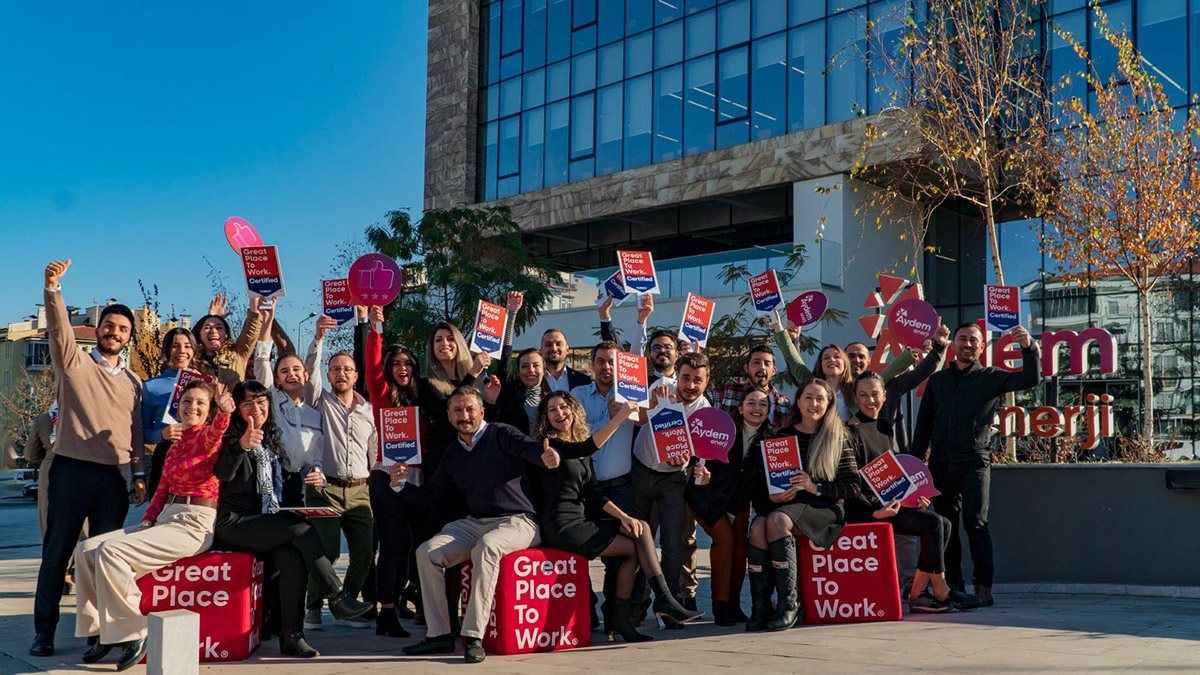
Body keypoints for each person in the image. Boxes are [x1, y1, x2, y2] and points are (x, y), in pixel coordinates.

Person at [73, 381, 233, 670]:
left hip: (193, 523)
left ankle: (134, 630)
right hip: (165, 519)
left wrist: (224, 411)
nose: (191, 407)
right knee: (86, 549)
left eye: (200, 403)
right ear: (178, 406)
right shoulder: (173, 448)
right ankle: (102, 631)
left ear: (208, 411)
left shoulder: (209, 439)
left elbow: (218, 430)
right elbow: (161, 490)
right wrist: (147, 520)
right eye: (186, 401)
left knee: (110, 552)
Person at [31, 260, 146, 658]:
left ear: (129, 338)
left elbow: (133, 433)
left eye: (123, 329)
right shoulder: (74, 363)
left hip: (113, 479)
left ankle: (100, 634)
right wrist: (53, 289)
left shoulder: (134, 383)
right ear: (98, 331)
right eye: (109, 326)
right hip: (70, 470)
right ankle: (44, 632)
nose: (115, 333)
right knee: (57, 552)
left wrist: (138, 474)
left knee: (102, 557)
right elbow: (60, 328)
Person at [398, 386, 562, 664]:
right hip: (476, 523)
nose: (465, 415)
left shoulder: (501, 433)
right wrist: (399, 485)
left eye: (470, 409)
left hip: (518, 521)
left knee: (487, 547)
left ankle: (474, 636)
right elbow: (432, 497)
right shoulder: (452, 452)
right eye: (458, 410)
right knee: (426, 553)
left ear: (481, 411)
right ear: (449, 416)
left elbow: (529, 449)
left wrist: (546, 457)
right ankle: (439, 636)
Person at [212, 380, 371, 658]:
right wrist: (240, 446)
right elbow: (222, 474)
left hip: (264, 522)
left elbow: (288, 477)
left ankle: (292, 637)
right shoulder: (229, 437)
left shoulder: (272, 441)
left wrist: (316, 472)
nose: (256, 409)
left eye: (261, 402)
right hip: (234, 523)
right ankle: (336, 596)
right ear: (238, 409)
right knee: (300, 529)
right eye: (248, 403)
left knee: (293, 558)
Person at [536, 390, 701, 642]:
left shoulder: (579, 445)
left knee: (639, 531)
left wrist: (624, 517)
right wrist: (622, 416)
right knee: (638, 539)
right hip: (561, 526)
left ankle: (627, 617)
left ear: (573, 410)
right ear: (546, 418)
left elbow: (594, 493)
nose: (560, 413)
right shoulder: (552, 444)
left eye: (564, 407)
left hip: (580, 520)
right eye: (552, 410)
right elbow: (589, 445)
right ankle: (662, 600)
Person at [912, 322, 1040, 608]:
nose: (967, 344)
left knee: (976, 524)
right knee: (945, 526)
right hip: (940, 465)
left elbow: (1030, 379)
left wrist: (1028, 348)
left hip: (974, 461)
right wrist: (913, 465)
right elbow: (923, 426)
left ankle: (983, 587)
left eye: (974, 340)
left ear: (983, 347)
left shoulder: (991, 377)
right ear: (954, 344)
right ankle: (953, 586)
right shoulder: (937, 381)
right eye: (962, 339)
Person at [847, 370, 979, 612]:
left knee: (944, 523)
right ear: (855, 397)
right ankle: (940, 590)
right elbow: (853, 481)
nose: (869, 400)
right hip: (866, 509)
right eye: (863, 395)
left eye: (875, 394)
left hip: (890, 504)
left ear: (884, 396)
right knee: (934, 524)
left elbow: (891, 472)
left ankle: (918, 592)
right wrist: (875, 511)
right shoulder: (851, 431)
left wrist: (911, 496)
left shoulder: (885, 425)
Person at [742, 379, 861, 632]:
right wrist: (773, 496)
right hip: (790, 506)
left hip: (824, 507)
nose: (814, 404)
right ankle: (761, 606)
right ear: (798, 401)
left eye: (820, 398)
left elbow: (852, 487)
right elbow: (767, 484)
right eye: (808, 397)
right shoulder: (783, 436)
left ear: (829, 403)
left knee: (776, 521)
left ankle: (790, 604)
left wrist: (815, 487)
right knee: (758, 525)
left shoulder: (839, 436)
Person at [301, 317, 377, 630]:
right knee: (328, 551)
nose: (341, 373)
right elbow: (310, 373)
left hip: (360, 489)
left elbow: (374, 453)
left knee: (364, 553)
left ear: (356, 376)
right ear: (329, 375)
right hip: (324, 488)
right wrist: (319, 339)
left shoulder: (368, 410)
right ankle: (314, 607)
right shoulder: (318, 402)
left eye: (347, 369)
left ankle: (348, 605)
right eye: (335, 369)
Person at [630, 352, 712, 624]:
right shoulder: (661, 387)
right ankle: (637, 604)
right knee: (640, 540)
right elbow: (636, 419)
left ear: (706, 381)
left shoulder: (705, 410)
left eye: (697, 380)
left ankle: (670, 607)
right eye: (686, 378)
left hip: (674, 480)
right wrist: (652, 406)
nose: (690, 385)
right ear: (679, 374)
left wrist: (689, 461)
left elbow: (700, 454)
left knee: (673, 544)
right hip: (641, 472)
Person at [570, 340, 638, 636]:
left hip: (620, 489)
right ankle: (583, 615)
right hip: (584, 489)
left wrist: (642, 320)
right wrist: (612, 419)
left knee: (618, 557)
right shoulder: (577, 394)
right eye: (601, 361)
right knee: (579, 554)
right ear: (591, 364)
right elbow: (579, 436)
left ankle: (615, 618)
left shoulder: (631, 397)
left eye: (612, 361)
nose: (606, 367)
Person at [362, 304, 422, 638]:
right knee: (393, 543)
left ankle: (400, 599)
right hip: (386, 477)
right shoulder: (382, 394)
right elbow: (371, 367)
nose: (402, 367)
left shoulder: (418, 396)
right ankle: (385, 611)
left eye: (407, 363)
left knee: (409, 545)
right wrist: (376, 329)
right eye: (396, 363)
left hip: (414, 479)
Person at [687, 385, 769, 626]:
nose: (757, 408)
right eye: (751, 403)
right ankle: (720, 605)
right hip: (707, 497)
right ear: (741, 407)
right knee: (726, 541)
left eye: (763, 404)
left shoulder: (768, 439)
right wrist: (703, 474)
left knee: (740, 550)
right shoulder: (723, 428)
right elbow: (698, 457)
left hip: (740, 503)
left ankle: (733, 604)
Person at [252, 299, 324, 508]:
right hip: (271, 481)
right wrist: (267, 321)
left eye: (295, 370)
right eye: (284, 371)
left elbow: (317, 457)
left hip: (300, 486)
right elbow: (262, 361)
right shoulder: (271, 401)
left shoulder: (314, 414)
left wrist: (317, 471)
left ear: (305, 375)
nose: (291, 375)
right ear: (277, 380)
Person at [707, 344, 792, 429]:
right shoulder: (726, 394)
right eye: (756, 362)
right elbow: (699, 398)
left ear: (774, 371)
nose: (762, 367)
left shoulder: (784, 404)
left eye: (767, 363)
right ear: (746, 368)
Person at [192, 292, 264, 391]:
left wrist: (253, 294)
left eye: (219, 327)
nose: (213, 331)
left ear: (227, 334)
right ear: (199, 334)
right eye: (207, 327)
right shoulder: (193, 360)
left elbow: (253, 325)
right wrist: (213, 318)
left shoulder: (238, 352)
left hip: (234, 405)